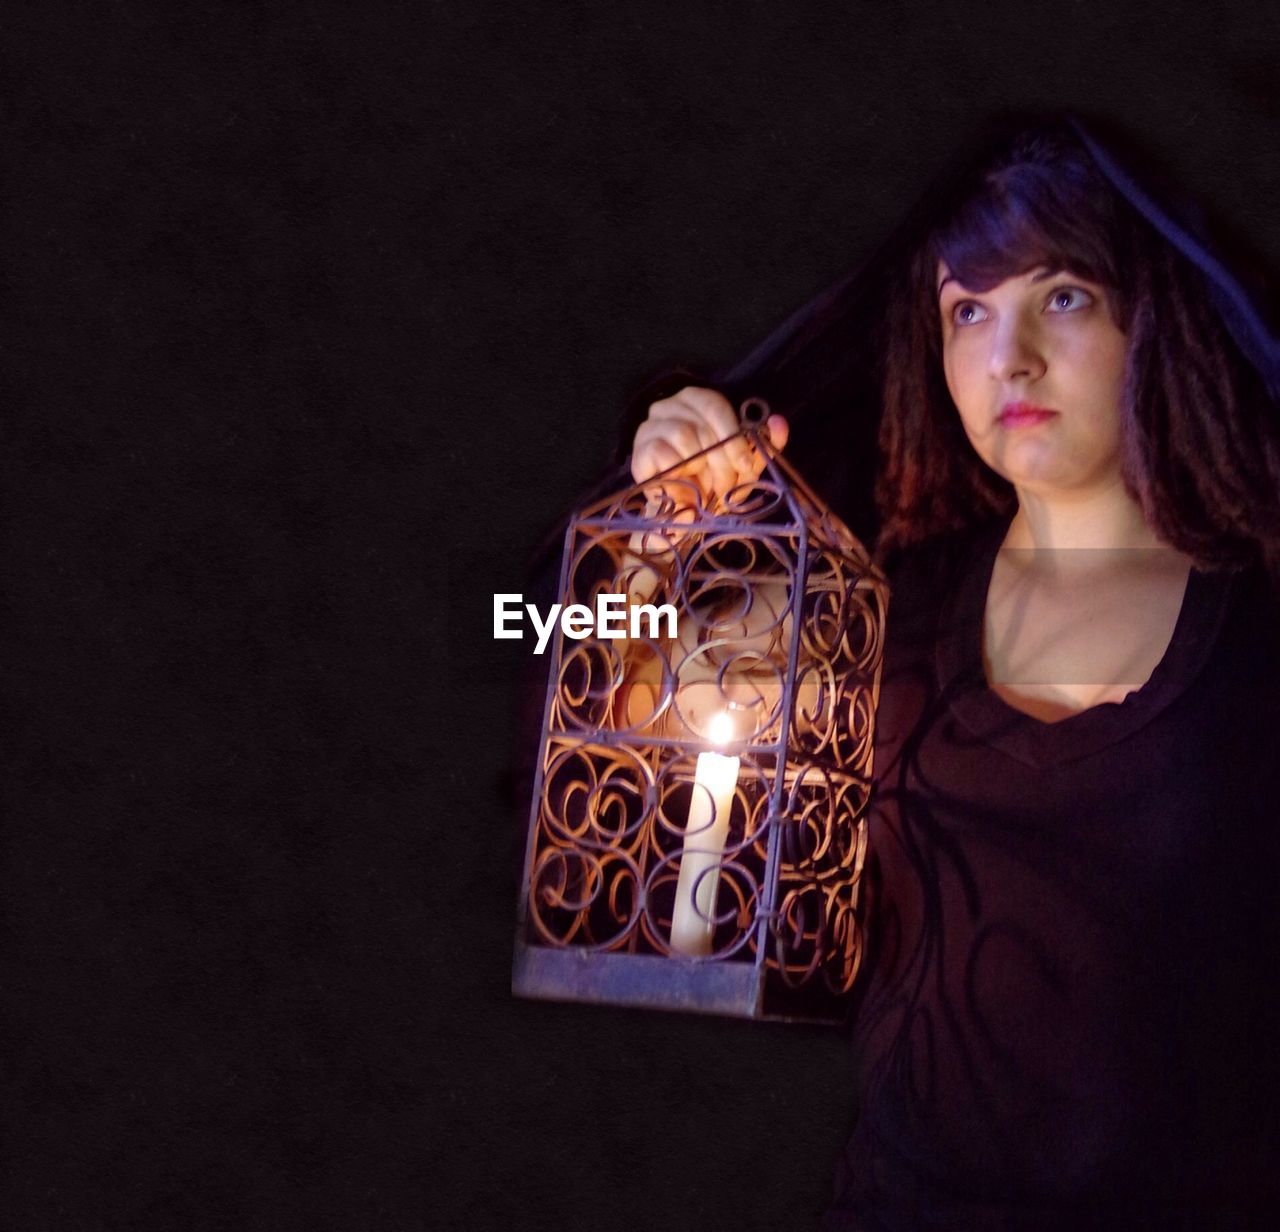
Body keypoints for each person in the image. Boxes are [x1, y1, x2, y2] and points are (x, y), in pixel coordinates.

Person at [618, 115, 1280, 1226]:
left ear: (1150, 319)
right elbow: (639, 728)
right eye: (966, 310)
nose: (1005, 356)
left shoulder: (1258, 634)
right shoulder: (884, 604)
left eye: (1059, 295)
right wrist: (657, 535)